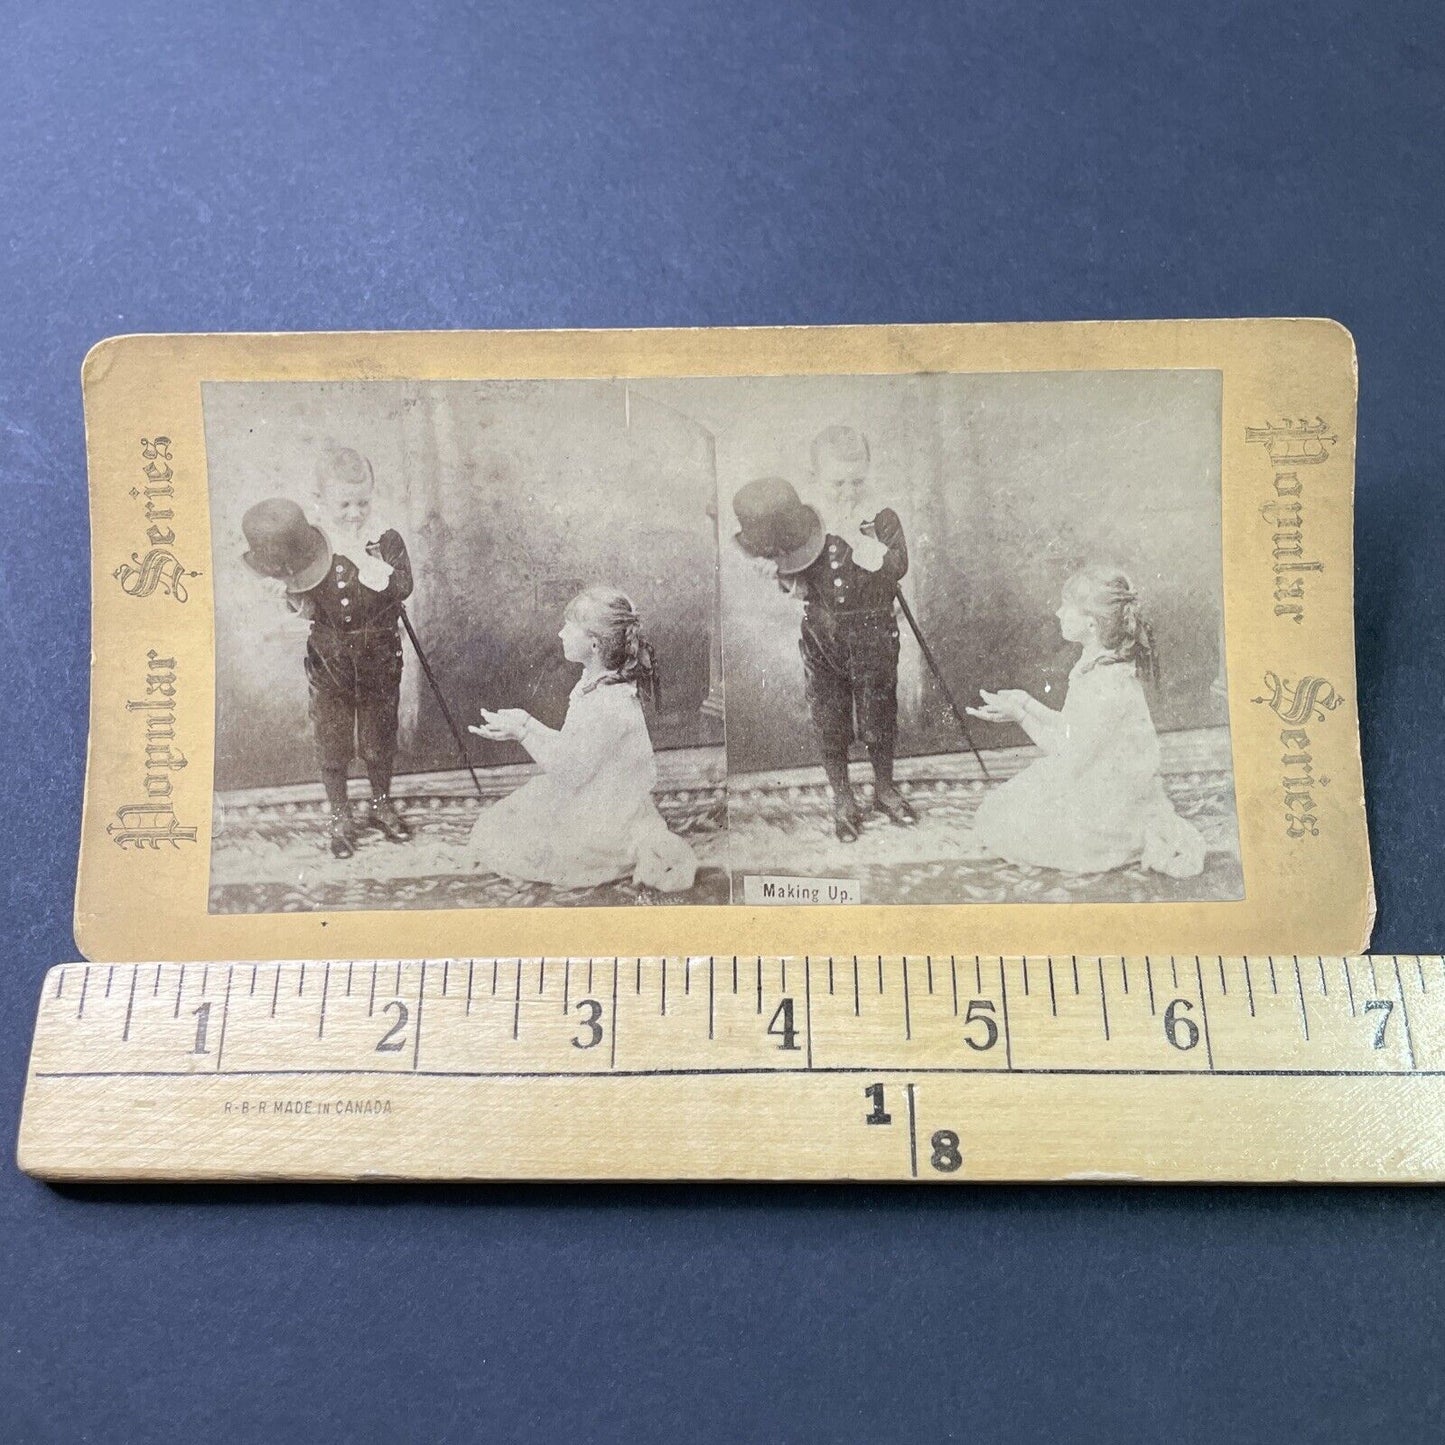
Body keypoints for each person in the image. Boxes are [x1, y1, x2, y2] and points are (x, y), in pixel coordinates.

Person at [732, 425, 915, 843]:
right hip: (823, 634)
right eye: (838, 482)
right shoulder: (802, 522)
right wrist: (776, 573)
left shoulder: (882, 515)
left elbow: (897, 566)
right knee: (830, 717)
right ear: (815, 477)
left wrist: (858, 538)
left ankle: (885, 789)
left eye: (858, 480)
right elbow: (797, 582)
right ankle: (843, 799)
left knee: (879, 715)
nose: (849, 491)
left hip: (875, 632)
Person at [965, 565, 1206, 878]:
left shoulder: (1105, 684)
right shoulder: (1096, 665)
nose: (1058, 612)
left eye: (1067, 607)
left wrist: (1020, 716)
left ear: (1091, 624)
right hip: (1100, 775)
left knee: (1002, 823)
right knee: (1002, 809)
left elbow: (1068, 753)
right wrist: (1026, 702)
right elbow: (1073, 727)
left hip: (1112, 799)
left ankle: (1122, 838)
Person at [240, 446, 414, 859]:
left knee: (378, 735)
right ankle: (340, 814)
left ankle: (380, 803)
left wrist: (376, 567)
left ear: (373, 495)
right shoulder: (311, 547)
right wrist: (287, 595)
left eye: (363, 502)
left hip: (379, 654)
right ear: (321, 501)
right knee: (332, 737)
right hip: (330, 657)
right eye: (344, 504)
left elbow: (403, 587)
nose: (355, 513)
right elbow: (307, 603)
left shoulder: (386, 538)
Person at [465, 586, 698, 893]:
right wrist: (525, 722)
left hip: (605, 813)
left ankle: (615, 851)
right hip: (598, 791)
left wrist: (521, 733)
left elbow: (570, 772)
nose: (561, 633)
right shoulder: (595, 683)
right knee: (501, 824)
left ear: (593, 643)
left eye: (569, 627)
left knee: (500, 840)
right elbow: (574, 748)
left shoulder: (606, 703)